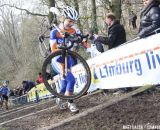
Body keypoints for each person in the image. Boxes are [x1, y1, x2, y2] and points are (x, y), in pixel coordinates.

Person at [49, 6, 81, 113]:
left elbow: (82, 40)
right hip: (57, 59)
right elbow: (53, 49)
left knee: (65, 80)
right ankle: (70, 102)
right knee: (71, 79)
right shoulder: (54, 32)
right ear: (63, 18)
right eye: (69, 21)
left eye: (73, 21)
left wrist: (84, 40)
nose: (71, 23)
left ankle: (60, 97)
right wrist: (62, 42)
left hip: (68, 58)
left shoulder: (73, 30)